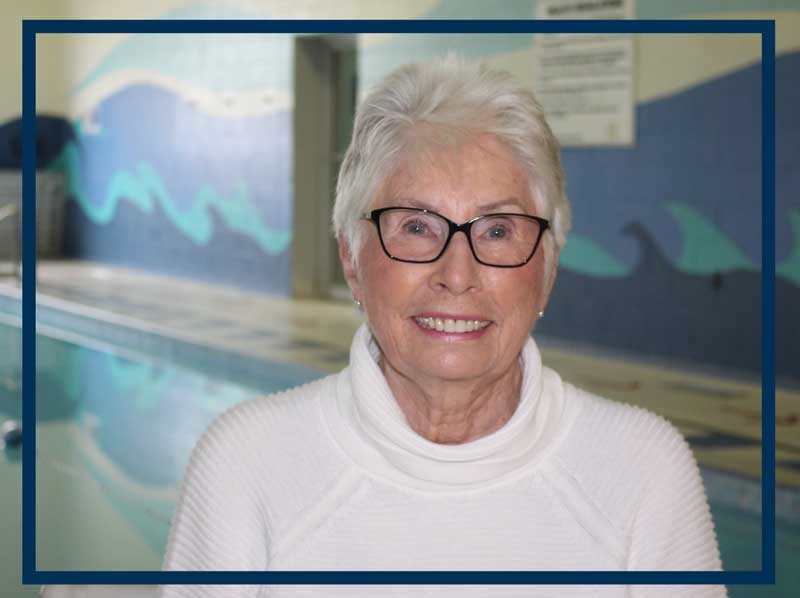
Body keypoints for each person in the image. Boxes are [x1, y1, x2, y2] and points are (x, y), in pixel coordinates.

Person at [160, 56, 725, 597]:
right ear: (353, 262)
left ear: (547, 269)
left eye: (498, 230)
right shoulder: (247, 463)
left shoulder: (642, 470)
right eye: (417, 227)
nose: (458, 274)